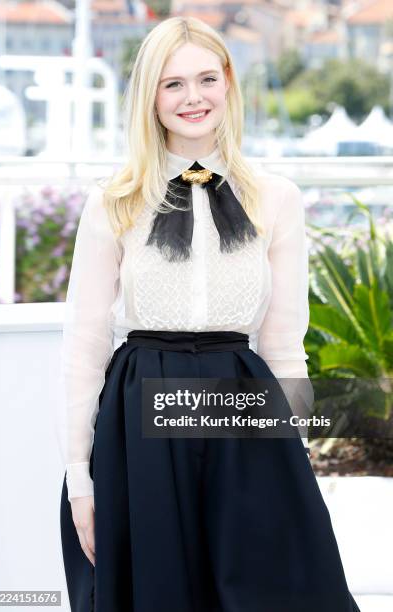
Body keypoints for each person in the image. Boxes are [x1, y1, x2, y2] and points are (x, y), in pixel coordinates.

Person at [59, 16, 361, 612]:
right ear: (149, 96)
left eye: (205, 79)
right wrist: (77, 480)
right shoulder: (112, 201)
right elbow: (84, 345)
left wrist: (292, 451)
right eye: (172, 84)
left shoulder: (277, 198)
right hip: (140, 405)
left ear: (228, 83)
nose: (192, 97)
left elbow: (283, 343)